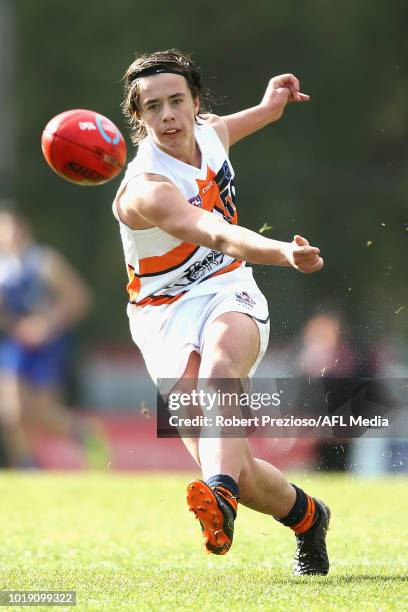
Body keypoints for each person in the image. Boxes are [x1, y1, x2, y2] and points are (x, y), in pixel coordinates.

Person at [114, 49, 329, 575]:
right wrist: (283, 252)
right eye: (152, 107)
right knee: (243, 469)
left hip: (228, 289)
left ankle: (218, 497)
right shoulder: (146, 189)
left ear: (195, 103)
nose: (167, 116)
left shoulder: (209, 132)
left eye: (176, 101)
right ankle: (309, 518)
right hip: (161, 316)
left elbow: (238, 125)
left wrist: (271, 104)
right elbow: (215, 231)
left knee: (218, 371)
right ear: (137, 117)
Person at [0, 208, 99, 467]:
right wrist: (14, 324)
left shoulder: (43, 261)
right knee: (12, 411)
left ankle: (84, 433)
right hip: (16, 345)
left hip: (48, 345)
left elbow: (78, 298)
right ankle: (27, 466)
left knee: (43, 414)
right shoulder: (3, 268)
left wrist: (46, 325)